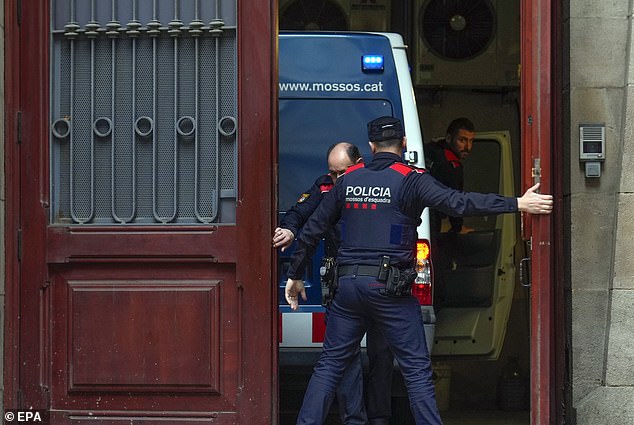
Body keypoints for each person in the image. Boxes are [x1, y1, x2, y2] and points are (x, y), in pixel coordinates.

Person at [284, 116, 553, 425]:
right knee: (416, 370)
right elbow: (459, 203)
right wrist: (518, 203)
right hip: (389, 291)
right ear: (404, 144)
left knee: (329, 365)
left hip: (347, 288)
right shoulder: (412, 179)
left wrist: (295, 274)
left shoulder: (346, 180)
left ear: (371, 146)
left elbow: (313, 228)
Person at [274, 142, 393, 425]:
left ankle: (379, 418)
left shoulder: (376, 184)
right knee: (345, 356)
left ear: (359, 163)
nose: (337, 179)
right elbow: (300, 213)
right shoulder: (326, 185)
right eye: (333, 173)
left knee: (382, 355)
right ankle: (354, 420)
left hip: (379, 281)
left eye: (342, 172)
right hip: (342, 284)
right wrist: (290, 229)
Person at [423, 117, 476, 234]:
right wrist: (458, 228)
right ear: (448, 138)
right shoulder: (451, 165)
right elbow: (455, 202)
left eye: (471, 141)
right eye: (462, 140)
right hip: (430, 218)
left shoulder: (428, 150)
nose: (468, 147)